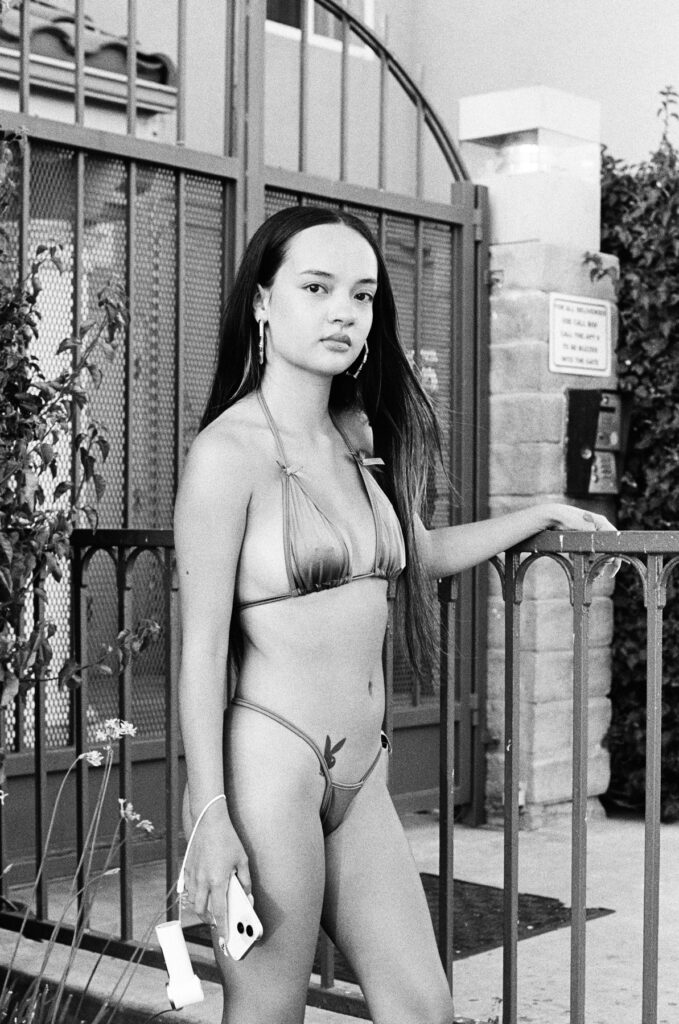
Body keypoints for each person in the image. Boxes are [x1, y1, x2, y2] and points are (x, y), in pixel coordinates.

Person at [173, 205, 615, 1024]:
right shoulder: (225, 456)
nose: (343, 311)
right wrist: (209, 817)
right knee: (266, 1011)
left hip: (360, 774)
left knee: (423, 1009)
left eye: (362, 294)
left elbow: (420, 553)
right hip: (270, 774)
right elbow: (199, 652)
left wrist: (536, 514)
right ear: (262, 302)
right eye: (316, 288)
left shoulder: (355, 439)